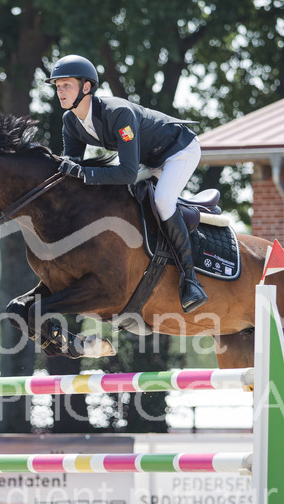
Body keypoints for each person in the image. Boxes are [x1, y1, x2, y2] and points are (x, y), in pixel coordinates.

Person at [45, 54, 208, 313]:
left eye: (66, 85)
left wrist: (85, 173)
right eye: (57, 86)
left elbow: (128, 173)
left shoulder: (118, 113)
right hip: (148, 159)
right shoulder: (70, 122)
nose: (60, 91)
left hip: (178, 151)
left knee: (163, 200)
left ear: (86, 87)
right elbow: (72, 168)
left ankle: (191, 280)